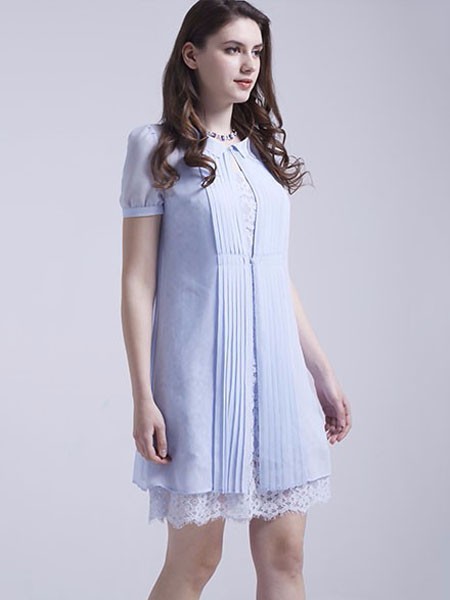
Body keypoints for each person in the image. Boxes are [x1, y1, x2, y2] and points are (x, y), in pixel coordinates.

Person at [118, 1, 352, 598]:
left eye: (256, 52)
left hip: (278, 381)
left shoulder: (261, 154)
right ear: (191, 55)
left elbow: (272, 273)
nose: (249, 65)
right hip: (199, 382)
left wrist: (321, 373)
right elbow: (137, 281)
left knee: (286, 558)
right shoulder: (156, 148)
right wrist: (143, 397)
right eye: (232, 49)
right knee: (196, 561)